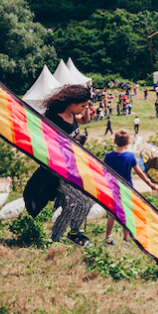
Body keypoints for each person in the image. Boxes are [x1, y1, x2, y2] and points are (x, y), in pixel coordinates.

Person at [44, 85, 95, 247]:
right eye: (82, 105)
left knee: (69, 207)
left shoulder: (72, 115)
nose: (84, 108)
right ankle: (74, 234)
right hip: (59, 172)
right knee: (85, 202)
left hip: (74, 169)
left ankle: (54, 240)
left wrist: (86, 108)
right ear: (72, 103)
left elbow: (84, 120)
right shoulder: (54, 120)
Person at [104, 129, 158, 245]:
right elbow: (139, 172)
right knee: (127, 213)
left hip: (113, 188)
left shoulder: (109, 156)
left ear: (114, 141)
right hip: (127, 188)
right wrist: (150, 184)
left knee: (112, 213)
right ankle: (126, 240)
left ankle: (108, 237)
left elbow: (104, 173)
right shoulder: (130, 156)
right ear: (128, 142)